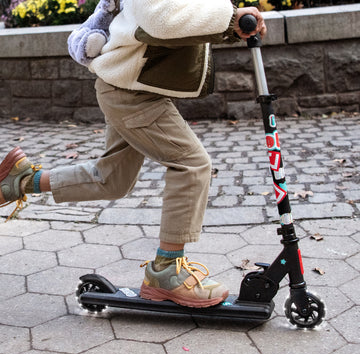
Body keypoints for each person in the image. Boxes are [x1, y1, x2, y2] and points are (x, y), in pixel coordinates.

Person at [0, 0, 266, 308]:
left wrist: (233, 28)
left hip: (127, 87)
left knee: (111, 180)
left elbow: (182, 23)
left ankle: (20, 180)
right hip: (131, 93)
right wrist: (231, 17)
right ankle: (167, 272)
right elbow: (162, 20)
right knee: (192, 164)